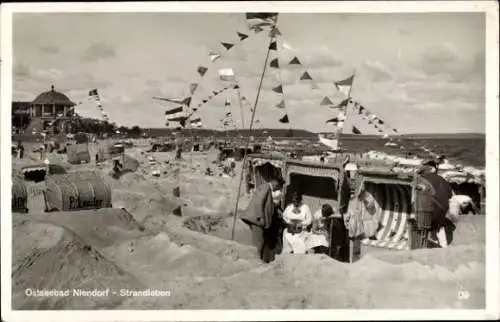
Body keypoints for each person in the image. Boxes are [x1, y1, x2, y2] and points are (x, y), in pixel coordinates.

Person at [412, 160, 454, 248]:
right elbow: (450, 195)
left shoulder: (421, 179)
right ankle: (443, 245)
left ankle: (429, 243)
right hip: (442, 209)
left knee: (425, 224)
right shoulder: (442, 179)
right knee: (438, 225)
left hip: (427, 208)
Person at [240, 179, 283, 263]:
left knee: (259, 240)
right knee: (259, 242)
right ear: (276, 184)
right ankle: (256, 261)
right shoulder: (266, 187)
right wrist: (260, 217)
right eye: (277, 187)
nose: (276, 189)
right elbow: (258, 202)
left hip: (258, 219)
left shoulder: (265, 187)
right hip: (257, 220)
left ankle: (257, 258)